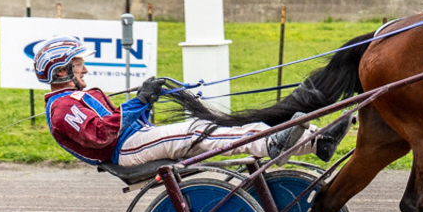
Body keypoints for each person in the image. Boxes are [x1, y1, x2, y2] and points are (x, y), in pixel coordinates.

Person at [34, 36, 349, 168]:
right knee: (198, 130)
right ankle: (272, 146)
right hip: (125, 150)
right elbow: (102, 133)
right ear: (61, 71)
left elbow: (111, 122)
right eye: (78, 65)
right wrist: (140, 100)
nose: (84, 69)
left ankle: (316, 141)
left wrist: (146, 98)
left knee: (211, 131)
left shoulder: (78, 96)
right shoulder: (62, 108)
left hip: (134, 141)